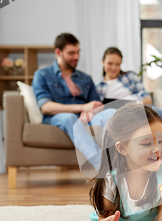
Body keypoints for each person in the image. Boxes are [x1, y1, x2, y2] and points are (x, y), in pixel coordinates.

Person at [91, 103, 162, 221]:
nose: (157, 149)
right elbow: (109, 220)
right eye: (147, 143)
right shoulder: (110, 181)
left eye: (161, 141)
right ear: (122, 148)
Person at [32, 33, 116, 169]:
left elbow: (96, 104)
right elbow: (46, 107)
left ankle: (116, 160)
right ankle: (102, 167)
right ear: (58, 52)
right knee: (70, 118)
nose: (76, 57)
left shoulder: (85, 78)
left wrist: (91, 112)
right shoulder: (42, 75)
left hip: (86, 117)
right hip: (58, 117)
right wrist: (82, 107)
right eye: (71, 53)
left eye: (78, 52)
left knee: (111, 112)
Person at [95, 47, 162, 124]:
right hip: (116, 117)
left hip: (136, 112)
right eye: (110, 63)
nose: (113, 68)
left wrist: (136, 106)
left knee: (150, 112)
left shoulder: (130, 77)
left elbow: (147, 99)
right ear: (103, 62)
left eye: (117, 64)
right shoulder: (98, 88)